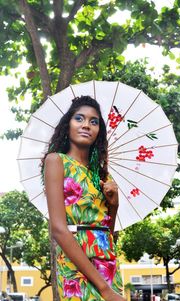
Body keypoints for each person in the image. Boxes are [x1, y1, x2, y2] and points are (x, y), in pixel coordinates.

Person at [43, 95, 126, 301]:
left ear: (99, 131)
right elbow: (58, 229)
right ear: (67, 124)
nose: (86, 125)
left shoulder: (103, 175)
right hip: (76, 264)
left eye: (94, 121)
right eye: (79, 119)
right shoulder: (56, 161)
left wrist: (114, 205)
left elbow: (107, 233)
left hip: (107, 262)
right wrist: (104, 289)